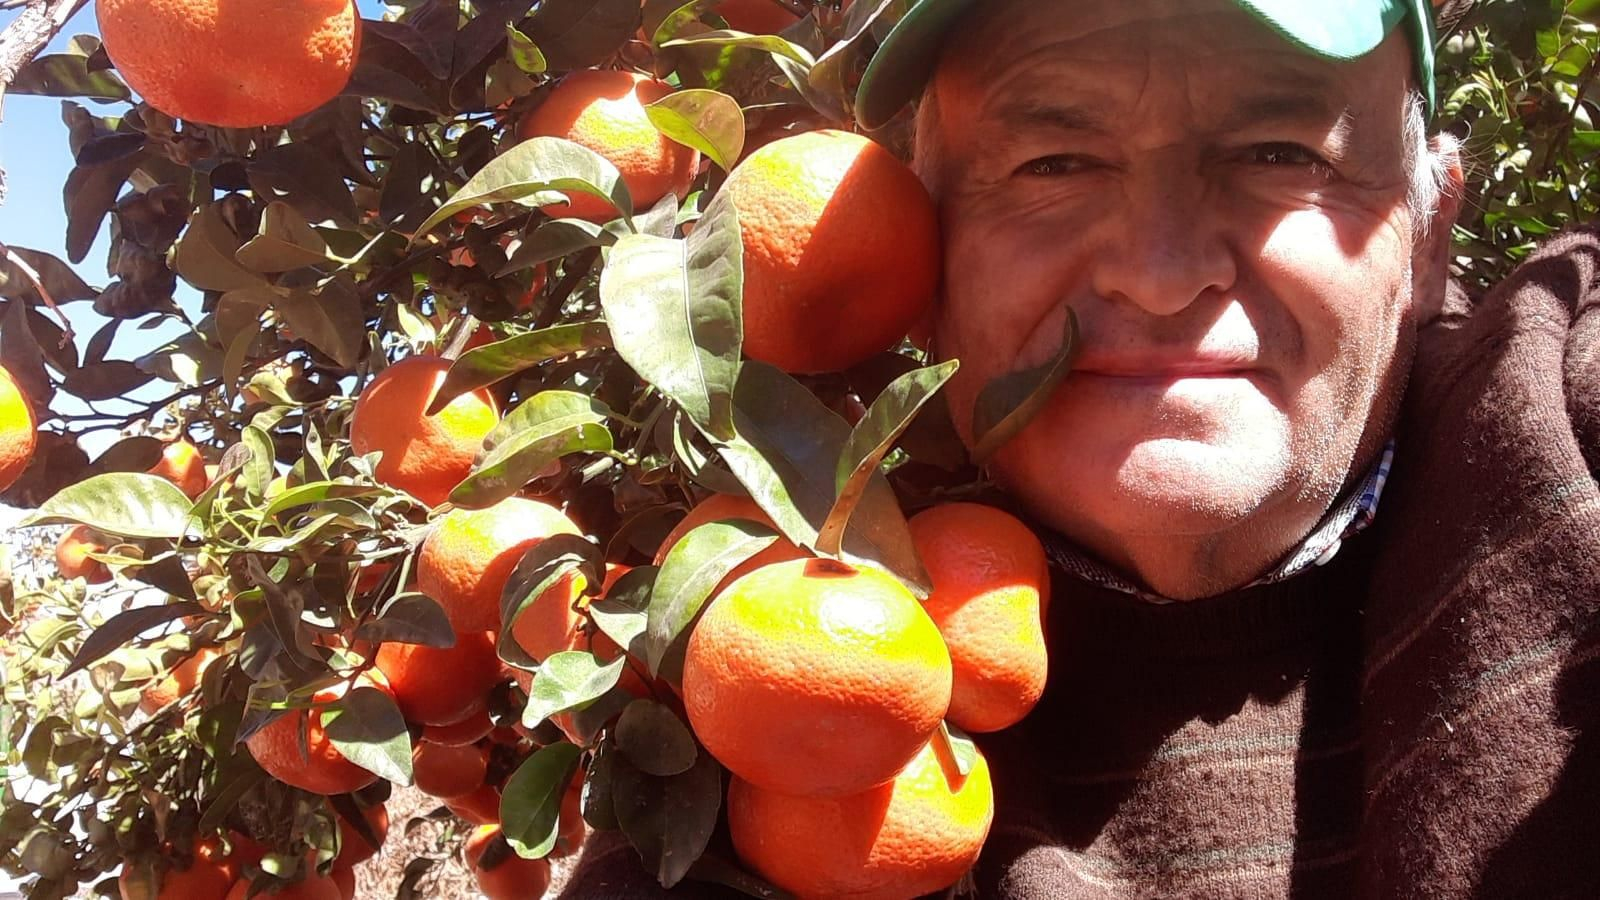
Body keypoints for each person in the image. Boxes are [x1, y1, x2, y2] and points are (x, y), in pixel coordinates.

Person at [564, 0, 1600, 896]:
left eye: (1280, 152)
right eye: (1052, 161)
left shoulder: (1555, 414)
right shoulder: (803, 664)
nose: (1157, 274)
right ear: (925, 262)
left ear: (1427, 234)